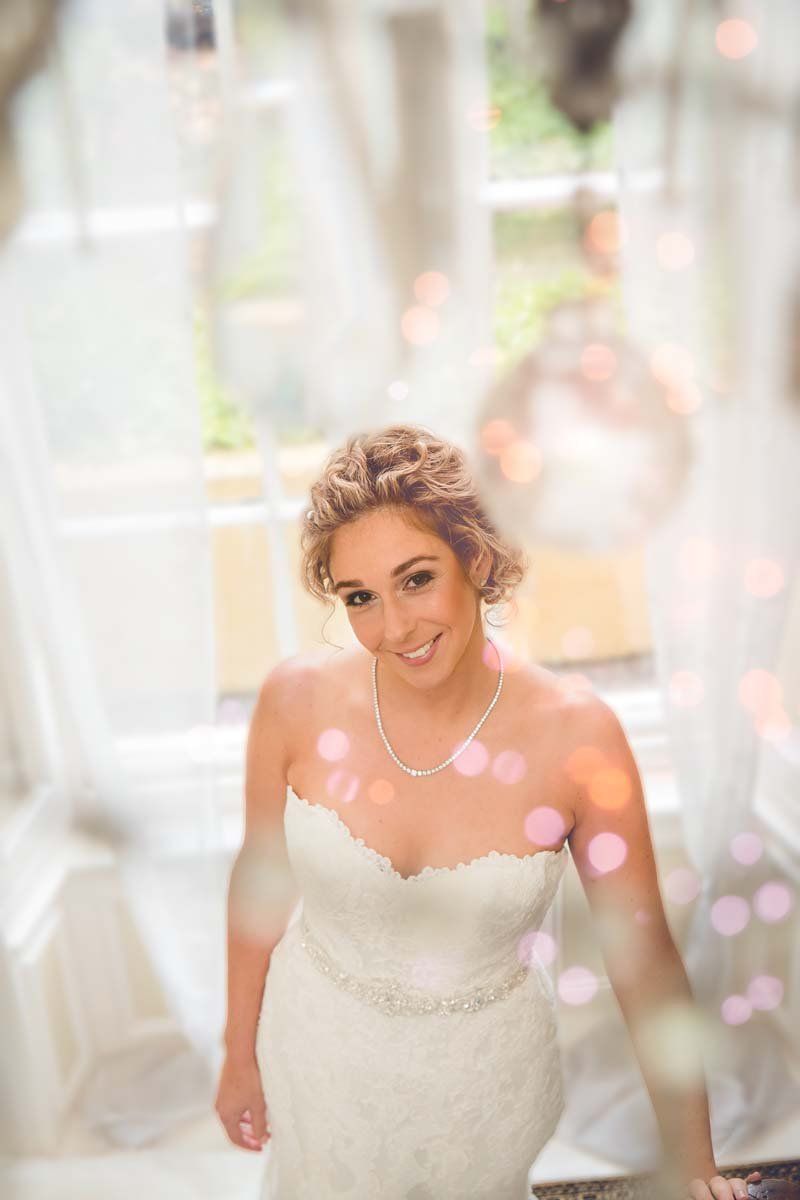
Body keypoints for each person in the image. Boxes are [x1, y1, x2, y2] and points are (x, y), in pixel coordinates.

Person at [215, 424, 763, 1200]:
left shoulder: (578, 736)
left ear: (476, 557)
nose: (394, 628)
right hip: (314, 1055)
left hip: (481, 1092)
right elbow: (259, 884)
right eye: (360, 598)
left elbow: (643, 962)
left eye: (416, 579)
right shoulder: (293, 702)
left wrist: (694, 1166)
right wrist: (239, 1051)